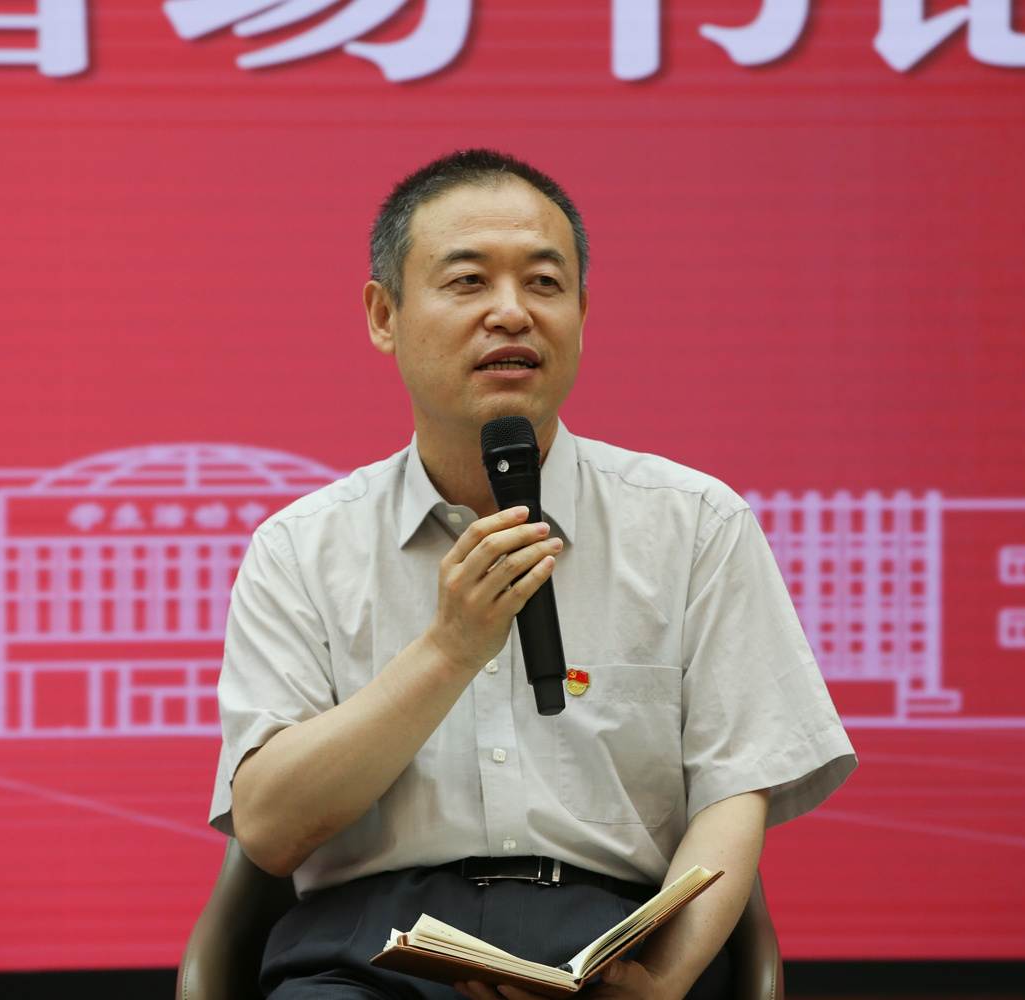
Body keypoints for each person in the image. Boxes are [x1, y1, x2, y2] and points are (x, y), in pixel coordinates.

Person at [209, 149, 856, 1000]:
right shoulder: (301, 548)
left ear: (582, 313)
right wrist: (447, 650)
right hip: (370, 955)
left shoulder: (695, 524)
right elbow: (267, 830)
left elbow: (734, 794)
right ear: (384, 315)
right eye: (468, 281)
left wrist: (664, 980)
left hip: (615, 944)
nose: (512, 312)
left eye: (545, 284)